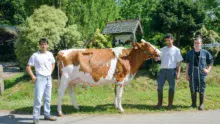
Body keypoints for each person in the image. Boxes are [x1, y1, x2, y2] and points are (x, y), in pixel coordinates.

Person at [26, 38, 57, 124]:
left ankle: (47, 115)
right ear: (39, 45)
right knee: (38, 99)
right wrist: (33, 76)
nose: (43, 46)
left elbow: (53, 63)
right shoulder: (35, 55)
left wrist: (50, 72)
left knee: (48, 98)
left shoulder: (50, 54)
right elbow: (28, 67)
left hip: (48, 78)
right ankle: (36, 117)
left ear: (47, 45)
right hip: (40, 78)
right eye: (42, 44)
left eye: (45, 44)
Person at [155, 33, 183, 110]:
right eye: (166, 40)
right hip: (162, 71)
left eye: (169, 40)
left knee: (171, 88)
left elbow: (179, 62)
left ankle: (170, 104)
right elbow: (157, 59)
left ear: (172, 40)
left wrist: (178, 73)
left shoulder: (176, 50)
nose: (167, 42)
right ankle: (159, 103)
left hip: (171, 71)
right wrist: (155, 58)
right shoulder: (162, 49)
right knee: (159, 88)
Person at [185, 37, 213, 110]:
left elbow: (211, 62)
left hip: (201, 73)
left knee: (201, 88)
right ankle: (193, 104)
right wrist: (187, 74)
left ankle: (201, 104)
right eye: (195, 43)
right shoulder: (190, 53)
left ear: (201, 43)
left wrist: (208, 70)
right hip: (192, 73)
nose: (196, 44)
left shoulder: (205, 52)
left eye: (198, 43)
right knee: (192, 87)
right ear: (193, 44)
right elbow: (187, 64)